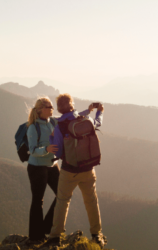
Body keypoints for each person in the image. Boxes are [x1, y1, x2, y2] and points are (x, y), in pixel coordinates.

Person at [41, 93, 106, 249]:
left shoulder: (59, 126)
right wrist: (99, 112)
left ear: (59, 108)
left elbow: (56, 152)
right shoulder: (85, 119)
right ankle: (97, 235)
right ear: (72, 105)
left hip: (69, 171)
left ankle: (55, 236)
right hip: (88, 169)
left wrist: (51, 139)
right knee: (91, 201)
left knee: (62, 201)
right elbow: (97, 124)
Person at [25, 97, 59, 244]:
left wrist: (87, 112)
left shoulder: (52, 121)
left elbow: (68, 118)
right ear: (40, 110)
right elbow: (32, 150)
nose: (52, 108)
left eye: (52, 106)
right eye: (49, 106)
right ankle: (35, 236)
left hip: (52, 165)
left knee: (63, 195)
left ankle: (46, 227)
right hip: (37, 167)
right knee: (38, 201)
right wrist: (46, 149)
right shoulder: (33, 127)